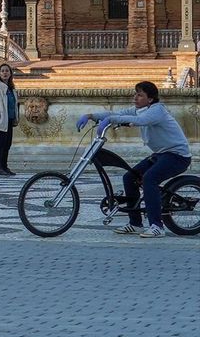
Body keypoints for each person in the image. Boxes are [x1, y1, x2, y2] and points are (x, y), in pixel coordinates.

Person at [77, 81, 193, 238]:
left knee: (149, 179)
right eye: (135, 94)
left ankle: (157, 226)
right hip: (160, 154)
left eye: (140, 95)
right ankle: (135, 224)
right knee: (129, 177)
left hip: (177, 156)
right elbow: (118, 113)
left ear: (150, 99)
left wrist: (110, 120)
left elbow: (141, 121)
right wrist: (90, 116)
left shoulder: (157, 111)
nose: (135, 98)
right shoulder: (140, 110)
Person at [0, 63, 19, 176]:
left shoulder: (11, 88)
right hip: (1, 120)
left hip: (10, 119)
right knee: (0, 144)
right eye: (2, 71)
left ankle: (4, 166)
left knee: (7, 144)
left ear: (10, 73)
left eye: (7, 71)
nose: (5, 73)